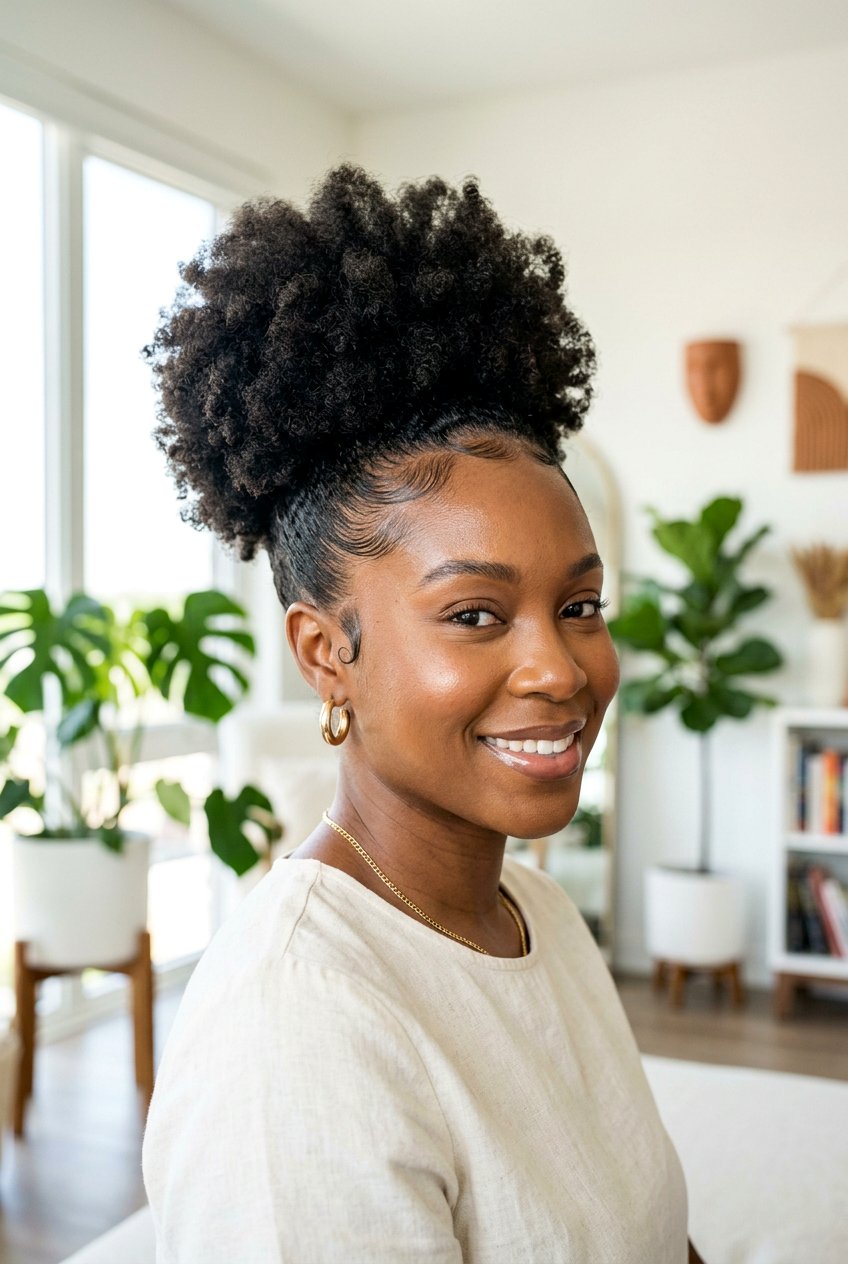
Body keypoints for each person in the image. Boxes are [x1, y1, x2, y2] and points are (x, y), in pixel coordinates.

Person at [141, 163, 702, 1262]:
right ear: (324, 654)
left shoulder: (537, 918)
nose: (561, 668)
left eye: (579, 604)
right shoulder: (295, 1026)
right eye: (477, 614)